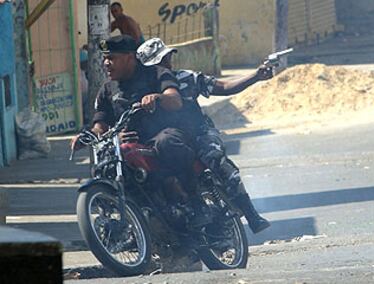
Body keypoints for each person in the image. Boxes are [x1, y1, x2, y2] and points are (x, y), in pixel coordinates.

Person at [137, 38, 286, 234]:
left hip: (199, 133)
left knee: (215, 159)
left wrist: (255, 76)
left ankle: (251, 215)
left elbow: (223, 87)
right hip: (168, 143)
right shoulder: (140, 92)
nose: (165, 64)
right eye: (158, 62)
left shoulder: (185, 78)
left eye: (165, 58)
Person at [70, 35, 195, 195]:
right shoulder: (107, 90)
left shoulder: (156, 74)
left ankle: (195, 199)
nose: (106, 63)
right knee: (109, 160)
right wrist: (85, 137)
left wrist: (158, 97)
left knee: (166, 142)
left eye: (111, 58)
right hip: (132, 146)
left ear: (129, 58)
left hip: (162, 136)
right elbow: (100, 126)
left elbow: (175, 100)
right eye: (105, 58)